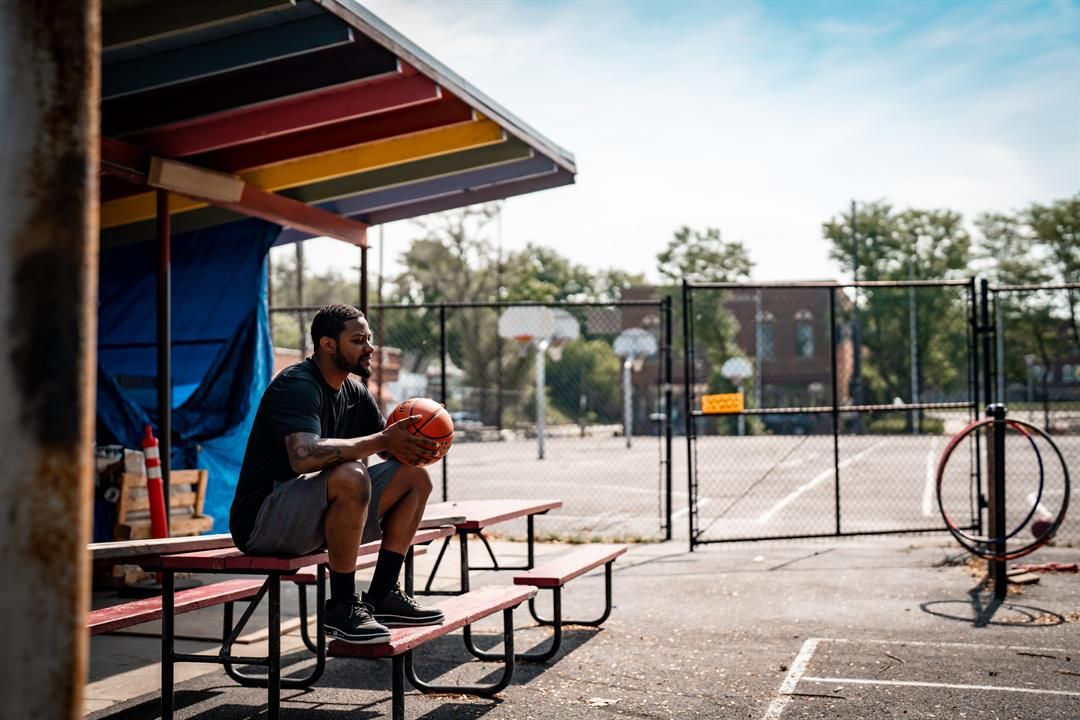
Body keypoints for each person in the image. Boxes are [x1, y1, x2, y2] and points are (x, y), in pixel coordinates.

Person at [230, 303, 444, 644]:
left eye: (369, 339)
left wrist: (422, 438)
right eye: (358, 340)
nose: (370, 348)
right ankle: (341, 606)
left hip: (312, 516)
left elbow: (389, 450)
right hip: (264, 521)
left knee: (414, 477)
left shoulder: (355, 393)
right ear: (328, 344)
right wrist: (381, 439)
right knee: (350, 474)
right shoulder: (297, 385)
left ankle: (383, 593)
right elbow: (303, 457)